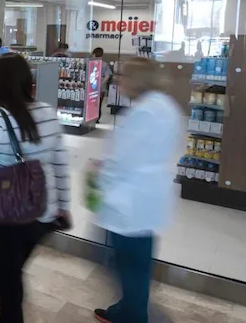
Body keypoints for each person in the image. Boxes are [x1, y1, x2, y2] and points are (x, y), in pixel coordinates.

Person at [0, 53, 71, 323]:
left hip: (6, 217)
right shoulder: (47, 113)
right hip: (41, 213)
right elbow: (60, 164)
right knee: (14, 273)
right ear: (28, 81)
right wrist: (64, 206)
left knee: (8, 291)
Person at [93, 57, 182, 323]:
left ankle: (133, 315)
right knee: (138, 267)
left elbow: (122, 160)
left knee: (124, 265)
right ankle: (128, 308)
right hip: (148, 202)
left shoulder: (144, 113)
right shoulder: (167, 107)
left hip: (128, 204)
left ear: (137, 80)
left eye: (123, 75)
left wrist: (100, 174)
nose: (118, 80)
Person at [92, 47, 113, 122]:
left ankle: (92, 117)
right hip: (101, 87)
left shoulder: (91, 63)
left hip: (92, 86)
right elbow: (107, 76)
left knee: (92, 103)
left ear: (94, 54)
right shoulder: (104, 64)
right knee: (99, 103)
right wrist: (101, 84)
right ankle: (97, 118)